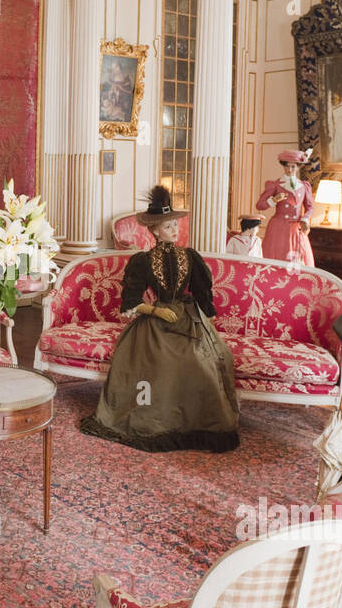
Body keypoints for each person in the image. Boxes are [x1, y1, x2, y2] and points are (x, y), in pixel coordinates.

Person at [81, 185, 239, 452]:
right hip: (155, 323)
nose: (175, 230)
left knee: (201, 360)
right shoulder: (142, 261)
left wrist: (209, 327)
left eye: (175, 225)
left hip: (188, 319)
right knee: (158, 363)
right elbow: (131, 302)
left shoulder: (191, 257)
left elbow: (203, 296)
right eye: (168, 227)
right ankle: (156, 420)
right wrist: (156, 310)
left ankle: (199, 422)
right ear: (154, 231)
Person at [256, 149, 315, 265]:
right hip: (278, 228)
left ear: (298, 167)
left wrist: (305, 219)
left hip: (296, 228)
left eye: (293, 167)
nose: (289, 170)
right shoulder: (275, 185)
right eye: (287, 167)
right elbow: (260, 205)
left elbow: (310, 207)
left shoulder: (304, 186)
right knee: (277, 259)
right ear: (283, 167)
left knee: (298, 261)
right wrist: (274, 200)